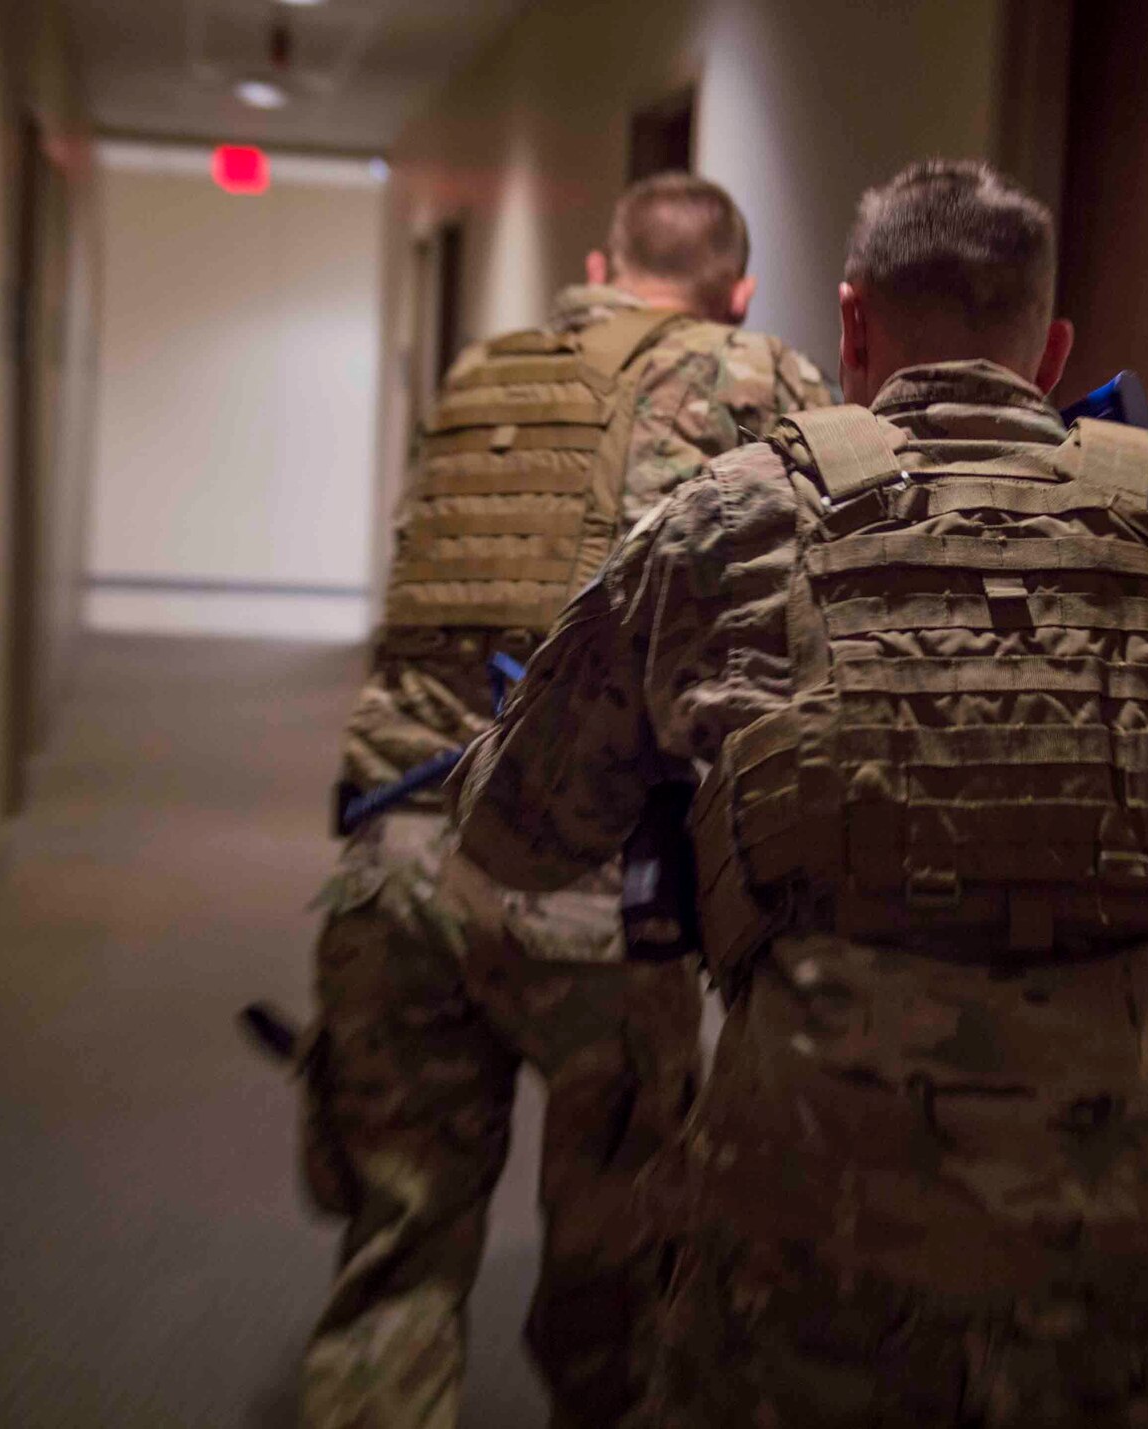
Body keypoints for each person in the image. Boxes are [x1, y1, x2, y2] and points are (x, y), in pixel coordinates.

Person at [448, 158, 1148, 1428]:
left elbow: (518, 834)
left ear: (852, 320)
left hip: (803, 1286)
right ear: (1051, 347)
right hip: (1114, 1295)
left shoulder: (727, 525)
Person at [298, 172, 833, 1429]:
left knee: (395, 1255)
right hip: (596, 896)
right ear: (738, 289)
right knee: (622, 1287)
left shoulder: (486, 374)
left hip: (397, 861)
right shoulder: (766, 380)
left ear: (601, 261)